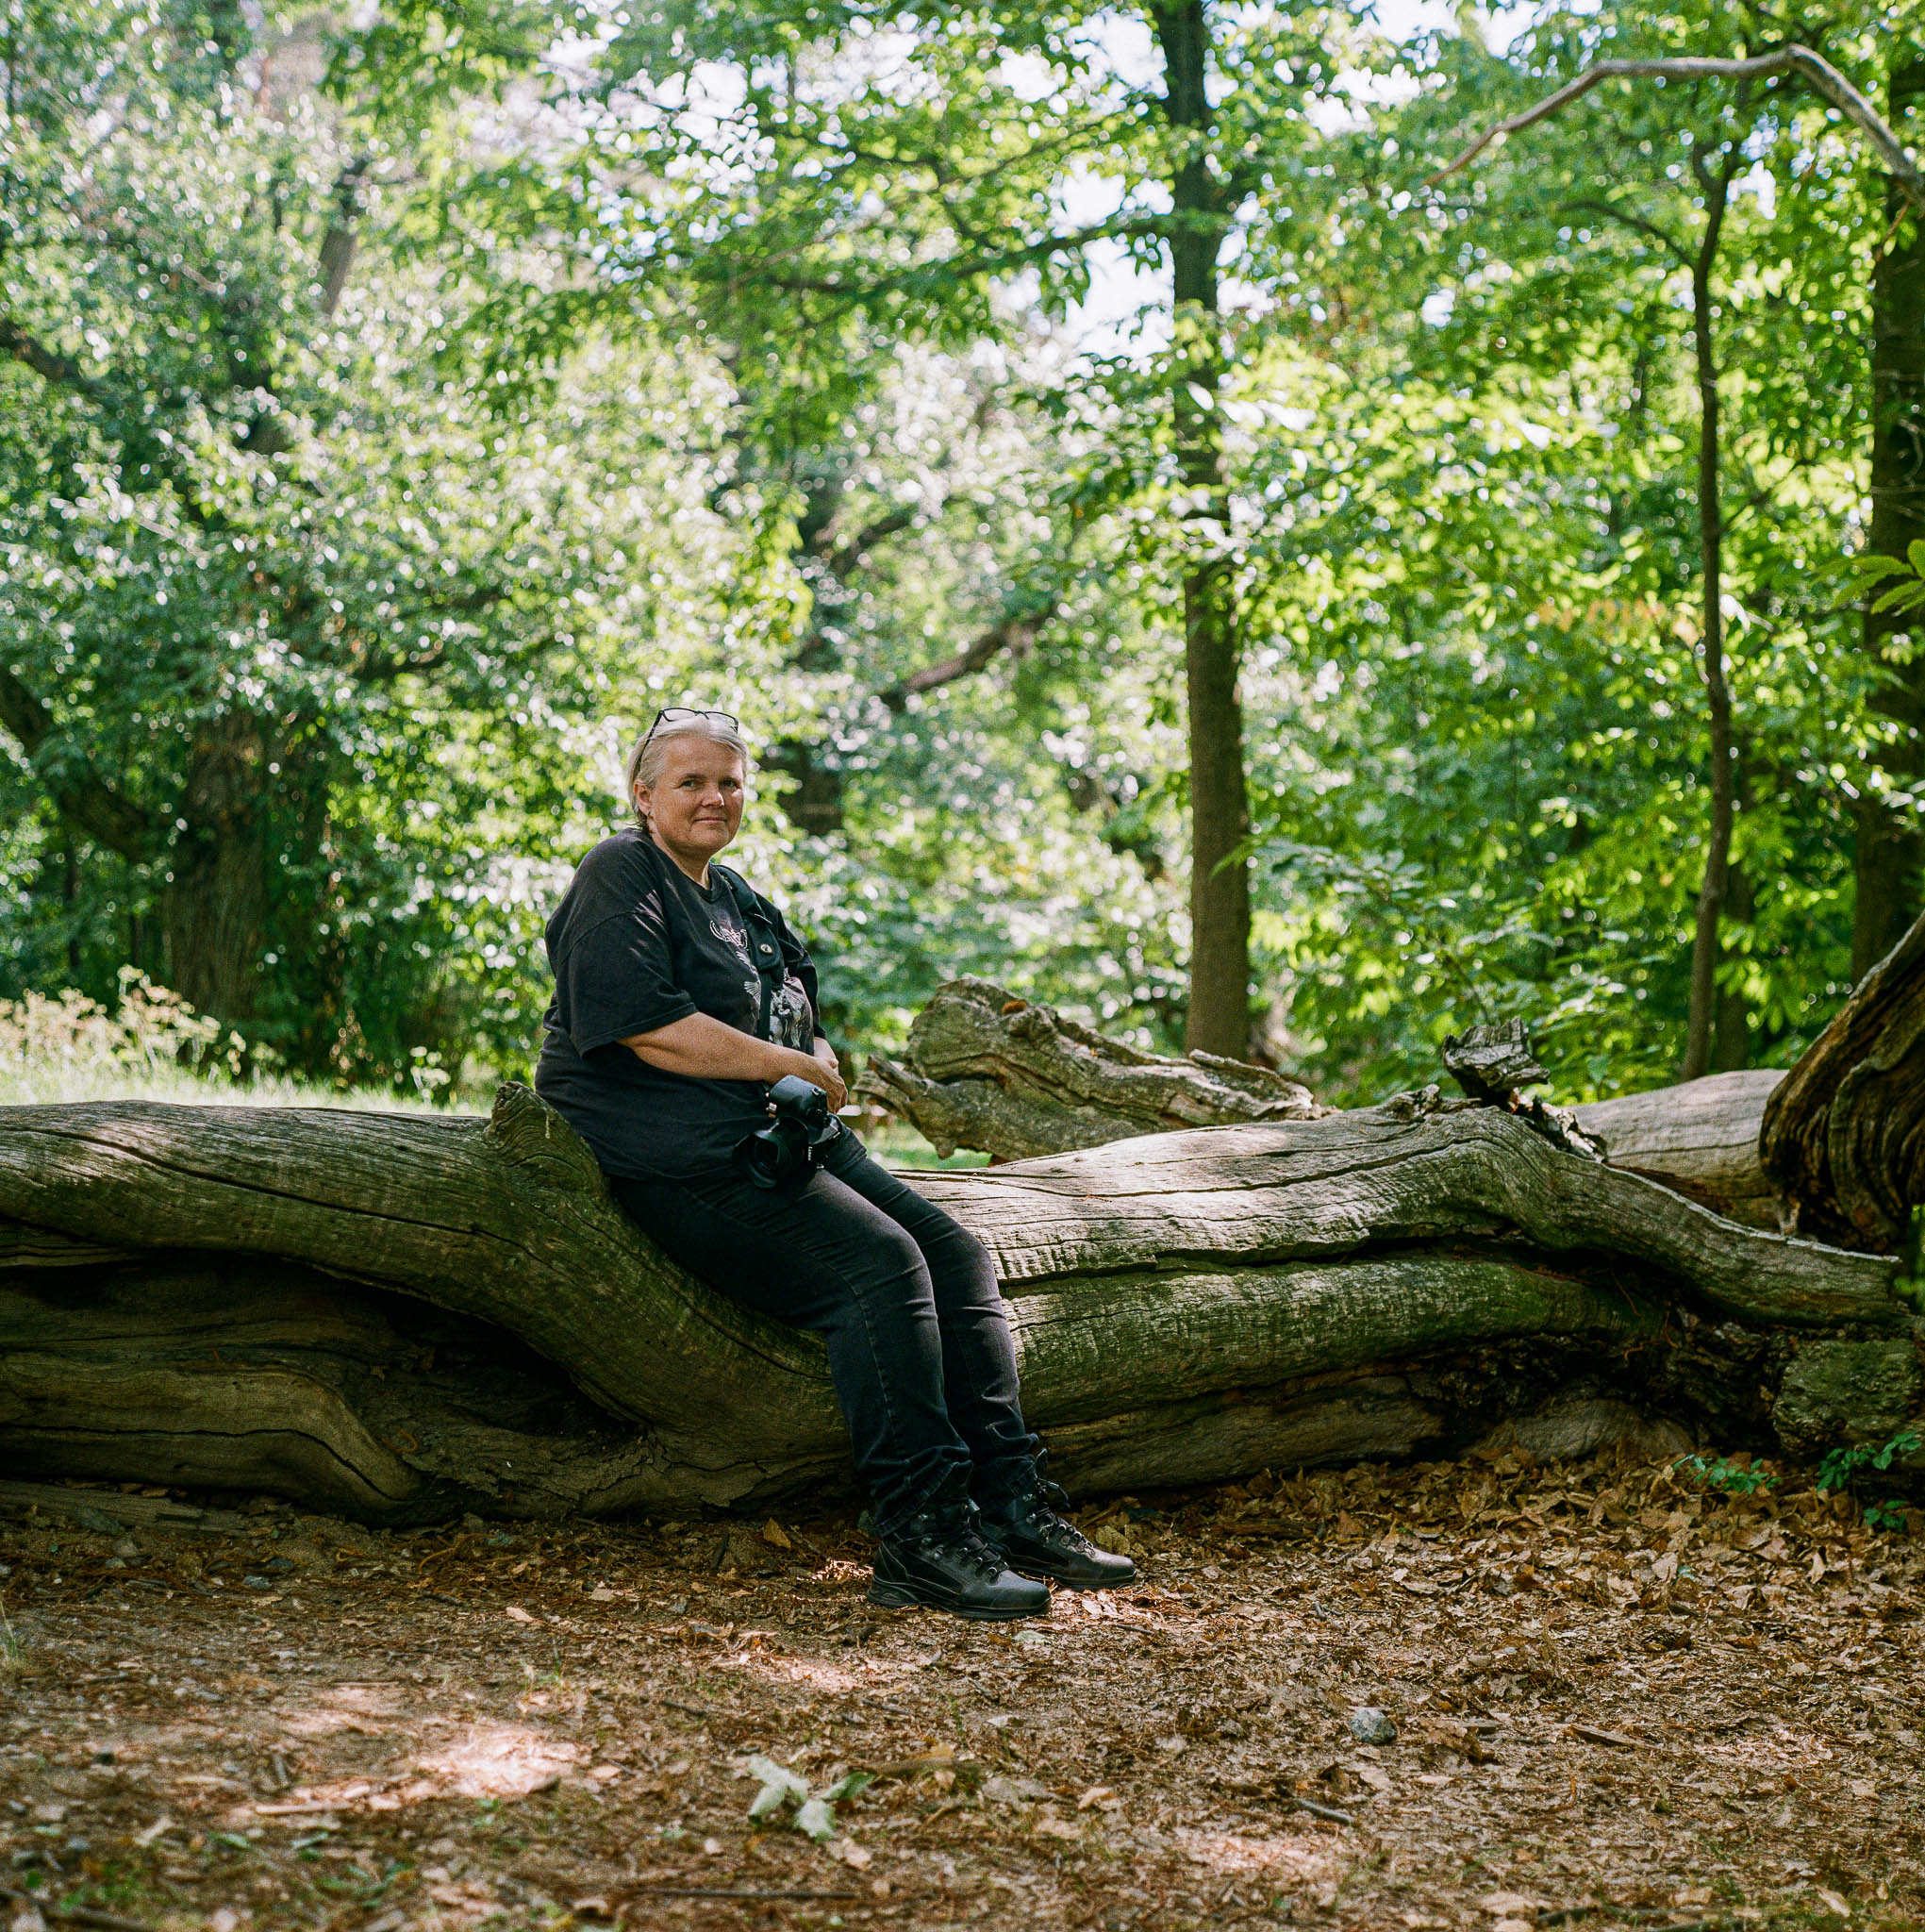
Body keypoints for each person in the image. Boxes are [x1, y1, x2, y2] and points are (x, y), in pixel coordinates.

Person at [533, 706, 1135, 1620]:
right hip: (674, 1154)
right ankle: (922, 1536)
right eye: (691, 780)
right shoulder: (621, 874)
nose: (714, 796)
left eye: (728, 780)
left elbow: (790, 1011)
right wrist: (792, 1065)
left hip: (777, 1135)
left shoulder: (736, 898)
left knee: (957, 1252)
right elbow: (646, 1027)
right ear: (642, 793)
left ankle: (1011, 1505)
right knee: (876, 1266)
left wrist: (804, 1060)